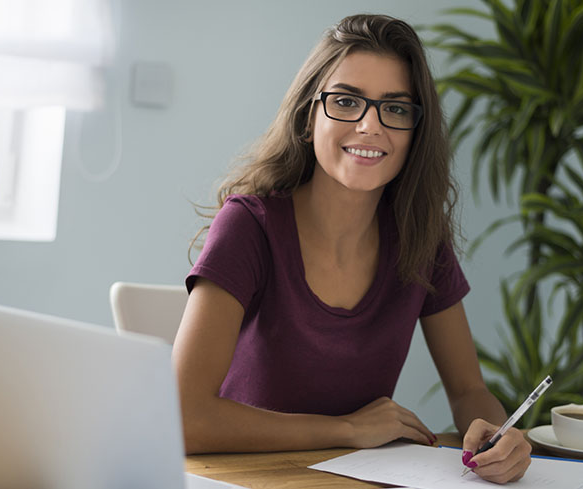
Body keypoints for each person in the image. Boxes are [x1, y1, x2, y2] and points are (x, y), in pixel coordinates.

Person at [172, 14, 532, 484]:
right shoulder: (250, 226)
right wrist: (346, 429)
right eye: (345, 101)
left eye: (395, 109)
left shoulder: (421, 238)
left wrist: (498, 436)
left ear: (415, 134)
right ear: (308, 117)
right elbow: (183, 417)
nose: (369, 126)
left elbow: (468, 391)